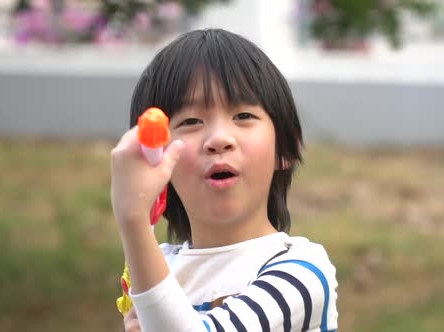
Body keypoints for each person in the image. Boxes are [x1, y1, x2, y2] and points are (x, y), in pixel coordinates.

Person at [110, 28, 338, 332]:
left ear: (285, 148)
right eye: (191, 121)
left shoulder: (302, 271)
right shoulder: (152, 266)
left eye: (243, 116)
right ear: (155, 158)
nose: (219, 139)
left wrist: (133, 220)